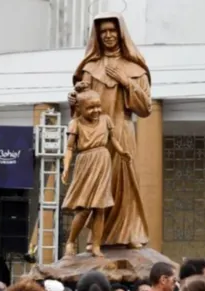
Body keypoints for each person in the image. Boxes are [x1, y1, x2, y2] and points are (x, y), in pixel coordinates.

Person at [68, 11, 152, 249]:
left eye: (112, 31)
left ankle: (129, 233)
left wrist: (126, 81)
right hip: (96, 135)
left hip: (122, 131)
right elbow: (81, 108)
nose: (108, 36)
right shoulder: (90, 67)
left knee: (125, 182)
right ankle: (97, 239)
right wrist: (74, 99)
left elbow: (145, 108)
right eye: (103, 31)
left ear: (121, 33)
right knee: (98, 186)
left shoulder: (135, 67)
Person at [62, 81, 131, 257]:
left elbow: (113, 139)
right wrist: (66, 167)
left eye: (98, 107)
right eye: (90, 108)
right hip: (85, 162)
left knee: (100, 207)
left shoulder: (106, 120)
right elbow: (70, 148)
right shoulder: (75, 123)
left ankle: (96, 245)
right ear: (80, 109)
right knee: (84, 208)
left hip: (103, 160)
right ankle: (70, 242)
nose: (96, 111)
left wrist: (121, 151)